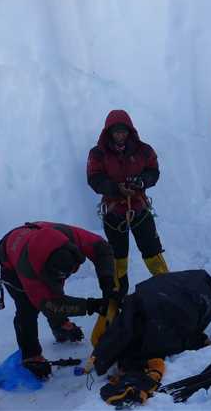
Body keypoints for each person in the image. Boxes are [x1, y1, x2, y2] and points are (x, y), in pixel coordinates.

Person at [0, 221, 116, 380]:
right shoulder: (28, 270)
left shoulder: (68, 236)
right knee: (27, 307)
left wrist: (107, 280)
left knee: (55, 289)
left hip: (32, 239)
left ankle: (59, 325)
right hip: (8, 262)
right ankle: (31, 355)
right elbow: (49, 305)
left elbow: (101, 248)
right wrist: (90, 306)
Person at [91, 270, 211, 407]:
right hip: (171, 291)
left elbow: (179, 338)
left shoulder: (147, 335)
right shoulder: (134, 320)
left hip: (179, 296)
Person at [86, 110, 168, 297]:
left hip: (139, 208)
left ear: (130, 131)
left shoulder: (144, 150)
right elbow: (94, 178)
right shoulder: (98, 154)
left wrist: (142, 181)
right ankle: (117, 296)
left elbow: (153, 171)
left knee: (152, 251)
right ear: (109, 132)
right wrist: (115, 188)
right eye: (116, 132)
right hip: (114, 212)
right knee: (117, 257)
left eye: (123, 131)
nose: (120, 135)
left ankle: (166, 288)